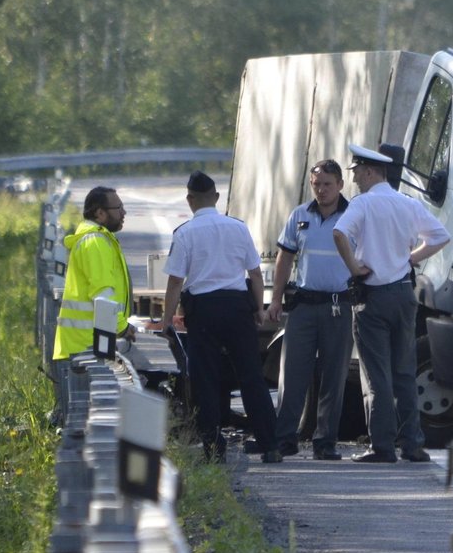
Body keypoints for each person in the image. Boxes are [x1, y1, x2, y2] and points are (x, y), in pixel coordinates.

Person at [332, 144, 450, 463]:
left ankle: (382, 445)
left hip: (372, 296)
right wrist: (411, 258)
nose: (354, 178)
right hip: (403, 294)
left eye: (356, 172)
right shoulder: (407, 204)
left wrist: (355, 269)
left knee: (376, 374)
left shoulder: (364, 204)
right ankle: (412, 443)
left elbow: (339, 233)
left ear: (371, 171)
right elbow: (440, 237)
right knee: (404, 371)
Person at [159, 171, 281, 464]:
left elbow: (176, 281)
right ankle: (270, 445)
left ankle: (214, 448)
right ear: (216, 197)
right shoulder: (238, 228)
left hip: (203, 311)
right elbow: (254, 273)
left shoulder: (185, 233)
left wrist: (166, 321)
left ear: (189, 200)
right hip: (237, 307)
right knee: (251, 375)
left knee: (206, 378)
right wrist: (258, 309)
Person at [265, 159, 353, 460]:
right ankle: (285, 438)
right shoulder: (300, 215)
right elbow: (285, 258)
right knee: (292, 374)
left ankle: (325, 441)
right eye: (316, 184)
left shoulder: (353, 216)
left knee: (334, 376)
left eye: (327, 184)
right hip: (304, 305)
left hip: (338, 306)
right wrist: (276, 299)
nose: (322, 190)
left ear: (340, 185)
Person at [52, 186, 134, 422]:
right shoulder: (96, 242)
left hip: (86, 344)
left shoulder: (93, 239)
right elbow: (103, 297)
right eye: (118, 208)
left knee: (88, 422)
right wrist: (121, 327)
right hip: (89, 346)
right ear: (99, 213)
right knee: (92, 421)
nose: (123, 212)